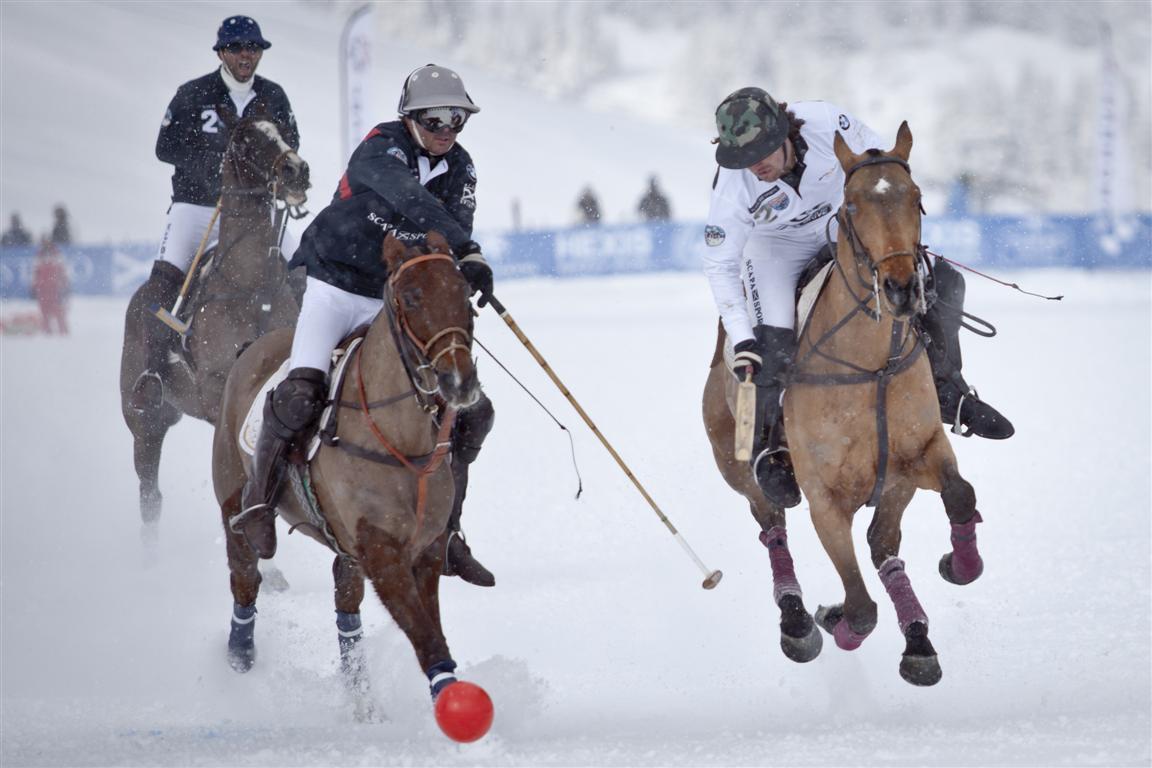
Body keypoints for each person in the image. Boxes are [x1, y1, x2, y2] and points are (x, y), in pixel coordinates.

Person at [234, 64, 497, 588]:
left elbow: (446, 238)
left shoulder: (461, 168)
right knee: (299, 394)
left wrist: (464, 267)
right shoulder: (381, 148)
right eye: (437, 118)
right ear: (412, 117)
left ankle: (447, 533)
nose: (448, 129)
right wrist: (465, 248)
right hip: (335, 286)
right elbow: (410, 202)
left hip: (390, 302)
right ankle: (258, 505)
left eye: (458, 119)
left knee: (469, 409)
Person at [704, 87, 1014, 508]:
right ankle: (767, 450)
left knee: (942, 280)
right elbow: (721, 265)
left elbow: (880, 167)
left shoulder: (826, 123)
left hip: (841, 228)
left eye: (761, 151)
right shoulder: (733, 185)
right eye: (743, 157)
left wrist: (891, 232)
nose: (754, 165)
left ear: (783, 133)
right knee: (772, 347)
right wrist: (742, 340)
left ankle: (949, 392)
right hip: (774, 249)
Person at [128, 15, 299, 412]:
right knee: (165, 279)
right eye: (238, 47)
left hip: (255, 211)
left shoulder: (273, 98)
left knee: (303, 269)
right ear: (222, 52)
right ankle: (153, 371)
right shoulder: (193, 94)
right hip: (197, 207)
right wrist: (217, 167)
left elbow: (290, 145)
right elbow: (165, 147)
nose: (246, 55)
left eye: (253, 48)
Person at [31, 237, 70, 335]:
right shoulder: (39, 256)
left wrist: (65, 285)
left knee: (58, 311)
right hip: (43, 289)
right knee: (45, 312)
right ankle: (47, 332)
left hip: (55, 289)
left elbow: (63, 272)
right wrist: (34, 286)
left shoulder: (56, 255)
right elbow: (35, 274)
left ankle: (63, 332)